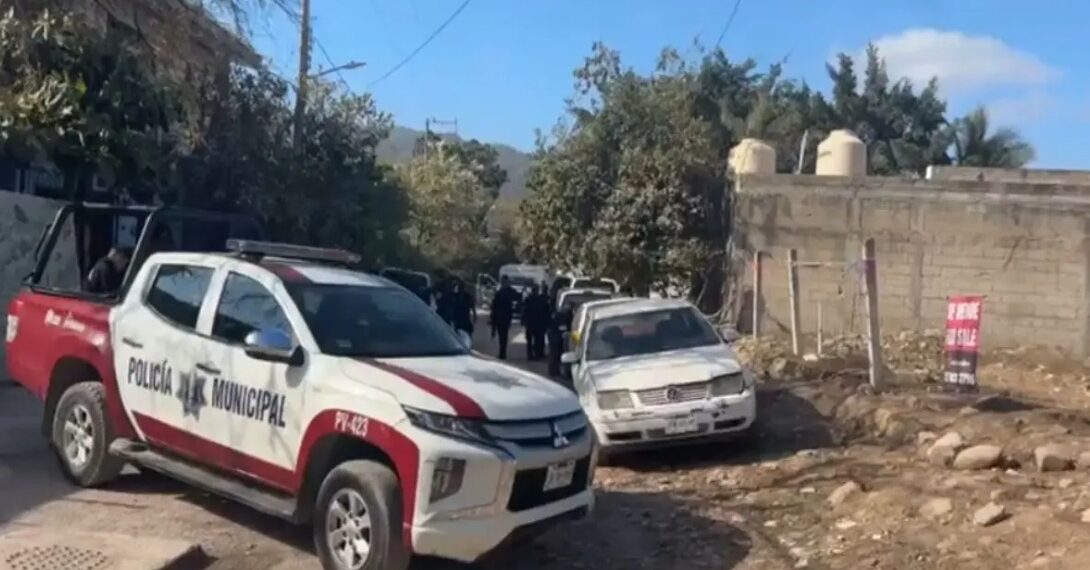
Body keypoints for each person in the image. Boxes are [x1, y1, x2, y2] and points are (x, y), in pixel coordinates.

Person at [489, 276, 520, 360]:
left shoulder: (503, 292)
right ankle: (502, 352)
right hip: (502, 316)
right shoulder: (502, 292)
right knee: (503, 335)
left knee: (503, 335)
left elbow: (517, 297)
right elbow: (494, 306)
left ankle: (502, 352)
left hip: (504, 317)